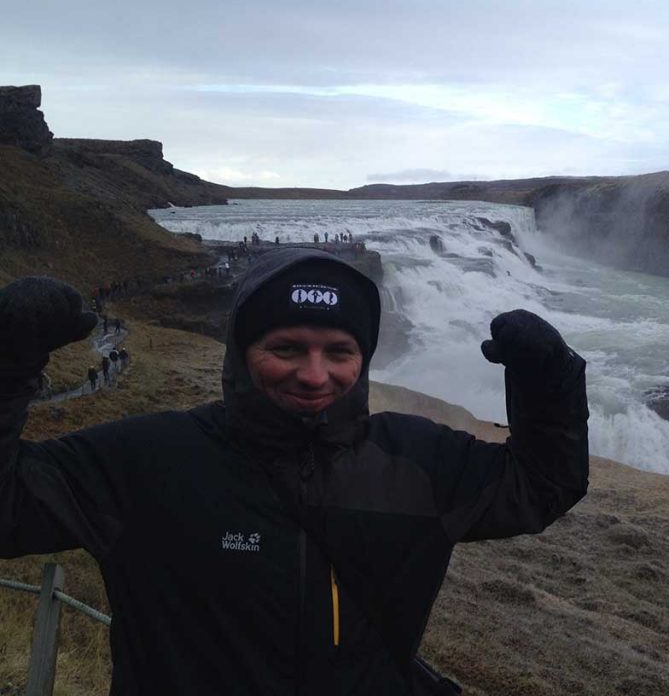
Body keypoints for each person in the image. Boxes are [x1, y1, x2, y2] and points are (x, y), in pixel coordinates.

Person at [0, 249, 589, 695]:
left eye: (339, 351)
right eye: (286, 348)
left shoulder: (419, 461)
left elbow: (541, 485)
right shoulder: (145, 461)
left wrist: (550, 383)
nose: (315, 375)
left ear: (362, 358)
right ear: (239, 350)